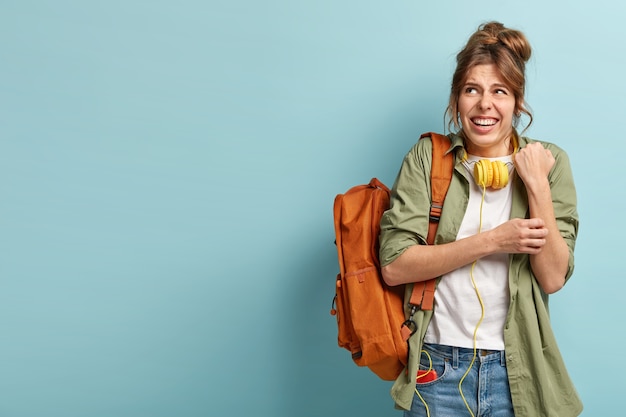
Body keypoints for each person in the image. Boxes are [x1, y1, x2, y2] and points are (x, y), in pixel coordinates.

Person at [379, 22, 582, 417]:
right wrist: (493, 240)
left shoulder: (549, 162)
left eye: (499, 91)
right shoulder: (428, 159)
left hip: (517, 368)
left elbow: (553, 278)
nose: (484, 104)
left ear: (517, 103)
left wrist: (537, 184)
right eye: (472, 89)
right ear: (456, 100)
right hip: (436, 367)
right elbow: (394, 266)